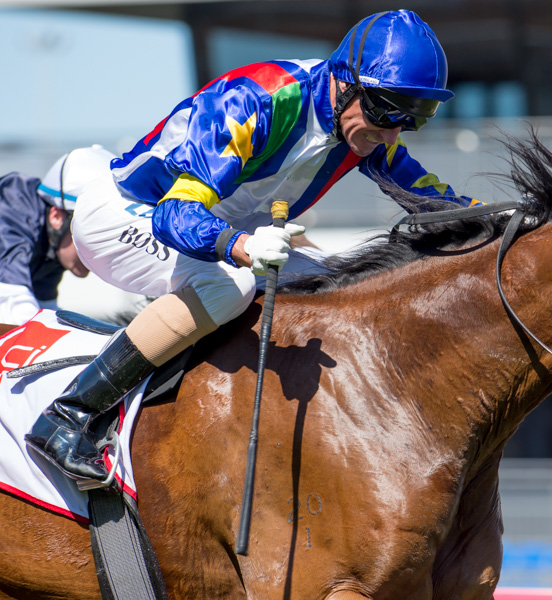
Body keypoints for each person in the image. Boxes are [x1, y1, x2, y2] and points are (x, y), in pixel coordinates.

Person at [26, 9, 482, 483]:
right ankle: (70, 414)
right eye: (386, 112)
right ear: (344, 83)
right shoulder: (257, 101)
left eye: (411, 120)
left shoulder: (361, 125)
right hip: (125, 214)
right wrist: (239, 245)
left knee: (336, 282)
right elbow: (173, 214)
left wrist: (504, 218)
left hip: (211, 227)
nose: (391, 133)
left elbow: (432, 198)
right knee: (232, 284)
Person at [0, 145, 115, 325]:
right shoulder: (12, 211)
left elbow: (45, 312)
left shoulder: (53, 243)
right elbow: (12, 308)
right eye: (94, 237)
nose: (100, 255)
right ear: (56, 216)